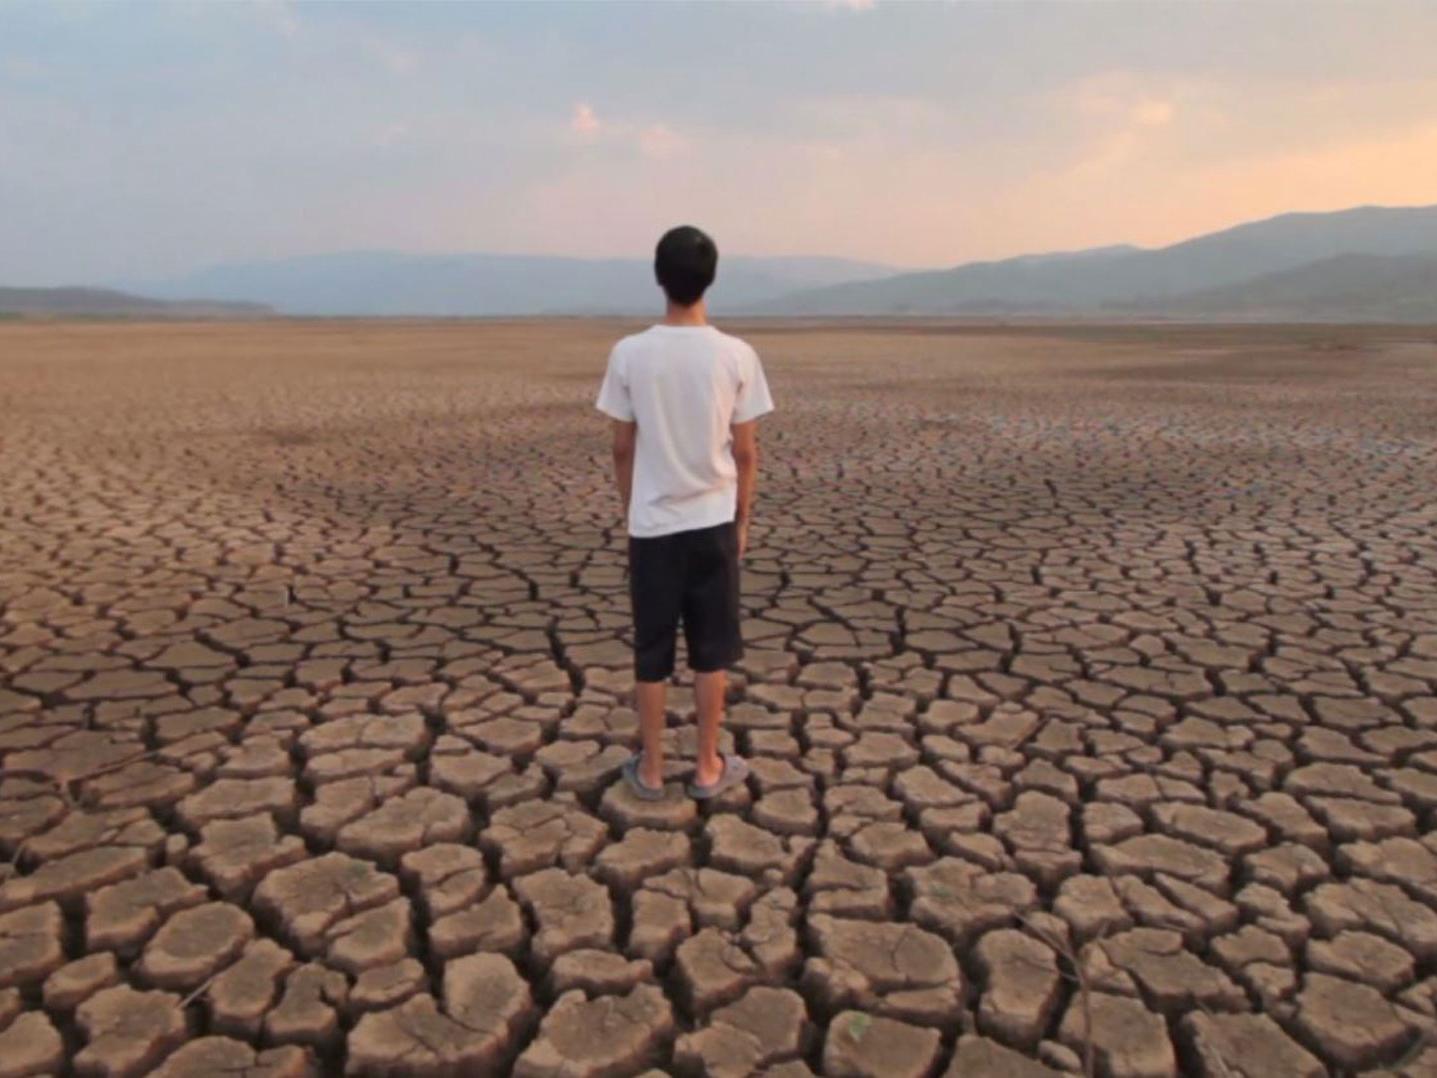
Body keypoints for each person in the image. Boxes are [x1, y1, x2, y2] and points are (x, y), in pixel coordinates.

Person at [595, 225, 774, 801]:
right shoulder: (737, 355)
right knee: (711, 650)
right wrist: (742, 522)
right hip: (714, 522)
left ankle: (650, 771)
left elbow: (622, 446)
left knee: (652, 651)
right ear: (711, 278)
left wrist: (633, 510)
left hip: (653, 527)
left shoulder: (629, 353)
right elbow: (745, 452)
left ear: (659, 277)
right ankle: (705, 768)